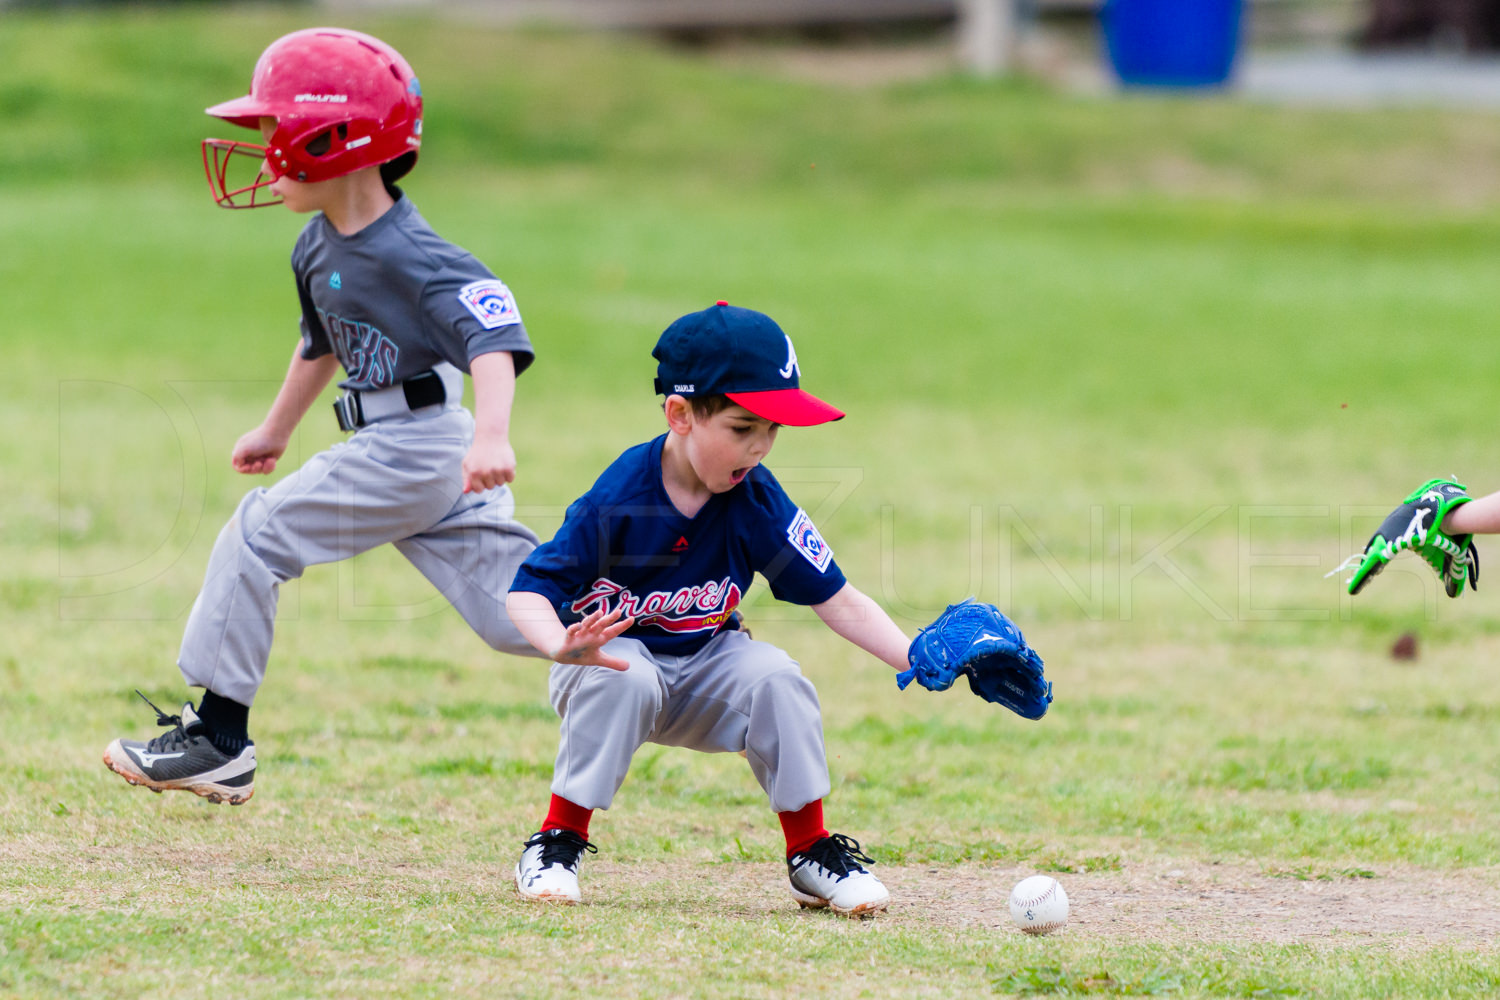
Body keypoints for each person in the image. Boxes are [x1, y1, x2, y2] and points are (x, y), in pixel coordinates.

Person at [103, 27, 542, 806]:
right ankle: (665, 617)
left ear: (333, 139)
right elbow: (321, 346)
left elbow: (493, 337)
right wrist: (274, 429)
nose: (262, 151)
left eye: (273, 131)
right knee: (521, 613)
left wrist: (493, 433)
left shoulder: (413, 253)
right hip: (401, 442)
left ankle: (218, 738)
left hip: (418, 445)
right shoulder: (315, 242)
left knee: (256, 533)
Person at [505, 302, 915, 918]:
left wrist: (915, 657)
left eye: (773, 430)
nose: (760, 448)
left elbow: (837, 597)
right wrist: (558, 644)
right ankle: (557, 840)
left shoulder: (754, 498)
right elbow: (527, 589)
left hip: (705, 663)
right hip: (607, 663)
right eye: (743, 426)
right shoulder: (621, 497)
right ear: (680, 414)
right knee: (629, 672)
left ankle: (810, 851)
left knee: (779, 679)